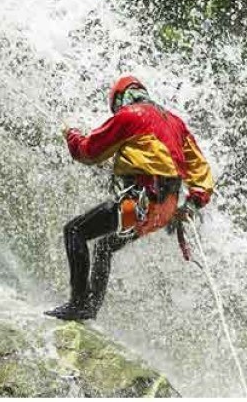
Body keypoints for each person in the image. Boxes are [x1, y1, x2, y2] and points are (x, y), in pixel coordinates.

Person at [45, 75, 214, 321]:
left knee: (75, 231)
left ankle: (79, 304)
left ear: (120, 99)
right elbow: (200, 168)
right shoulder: (176, 123)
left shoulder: (129, 116)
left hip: (141, 202)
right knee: (105, 246)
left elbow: (89, 152)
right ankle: (89, 307)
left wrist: (71, 134)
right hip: (165, 211)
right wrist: (194, 202)